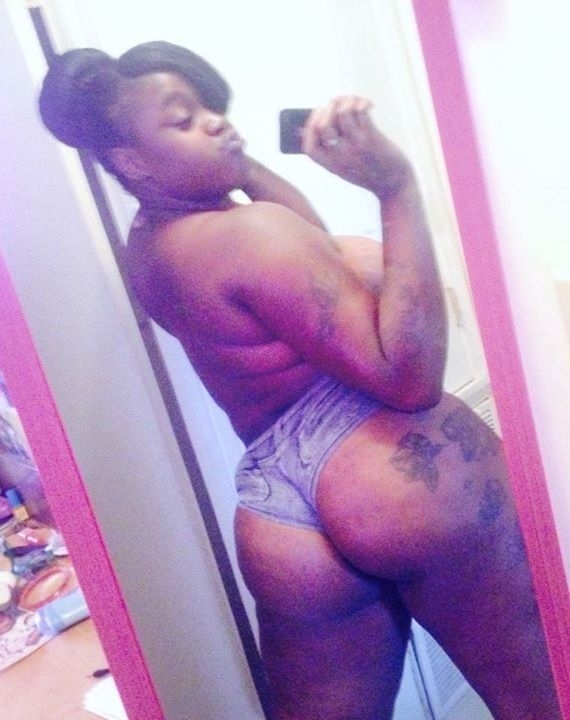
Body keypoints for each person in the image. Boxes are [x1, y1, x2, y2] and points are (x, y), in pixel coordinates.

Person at [38, 42, 560, 720]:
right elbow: (408, 380)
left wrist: (232, 157)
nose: (217, 123)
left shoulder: (153, 247)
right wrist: (397, 188)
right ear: (130, 161)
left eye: (211, 108)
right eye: (183, 119)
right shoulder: (247, 233)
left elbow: (306, 249)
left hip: (280, 508)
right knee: (545, 698)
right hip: (384, 463)